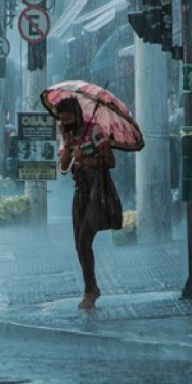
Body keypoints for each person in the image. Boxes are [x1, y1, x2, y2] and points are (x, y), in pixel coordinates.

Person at [57, 97, 116, 309]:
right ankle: (91, 287)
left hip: (96, 193)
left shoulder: (94, 131)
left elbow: (110, 161)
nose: (65, 123)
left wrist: (87, 160)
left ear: (76, 115)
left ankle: (90, 290)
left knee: (84, 241)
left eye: (68, 119)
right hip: (79, 193)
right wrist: (67, 145)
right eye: (62, 121)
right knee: (80, 245)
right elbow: (63, 169)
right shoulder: (68, 136)